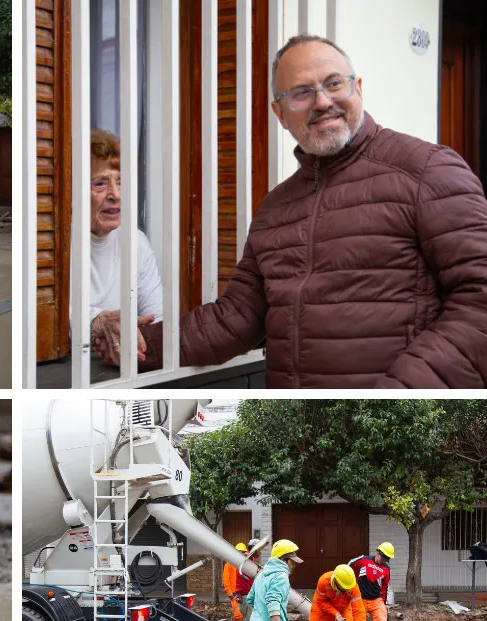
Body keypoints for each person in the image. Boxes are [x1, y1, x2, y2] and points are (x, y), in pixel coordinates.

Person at [180, 34, 487, 388]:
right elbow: (236, 316)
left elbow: (478, 303)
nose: (323, 102)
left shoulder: (427, 170)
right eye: (301, 92)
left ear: (358, 88)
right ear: (280, 114)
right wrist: (144, 345)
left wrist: (392, 401)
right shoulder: (275, 208)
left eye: (334, 83)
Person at [87, 130, 163, 370]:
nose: (116, 195)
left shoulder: (135, 242)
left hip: (121, 366)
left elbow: (155, 320)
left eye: (120, 182)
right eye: (100, 183)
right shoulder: (50, 249)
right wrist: (97, 322)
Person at [348, 542, 394, 621]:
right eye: (383, 558)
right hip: (360, 598)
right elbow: (350, 563)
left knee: (382, 620)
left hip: (376, 599)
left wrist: (385, 603)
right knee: (349, 618)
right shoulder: (365, 559)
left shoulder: (386, 569)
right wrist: (347, 578)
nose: (384, 561)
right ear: (378, 553)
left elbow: (385, 587)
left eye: (386, 559)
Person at [222, 542, 249, 621]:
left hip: (244, 593)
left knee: (245, 613)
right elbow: (226, 579)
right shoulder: (229, 564)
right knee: (238, 614)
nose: (241, 554)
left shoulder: (245, 564)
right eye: (240, 552)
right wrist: (229, 592)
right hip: (234, 593)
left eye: (243, 552)